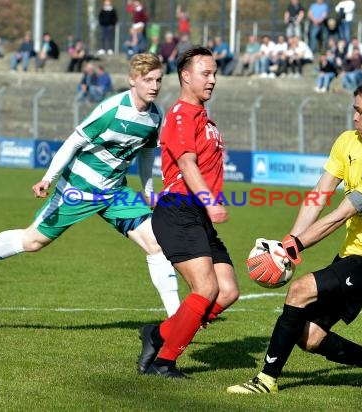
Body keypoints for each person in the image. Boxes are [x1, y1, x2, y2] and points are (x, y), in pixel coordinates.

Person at [0, 53, 180, 318]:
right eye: (147, 80)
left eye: (158, 80)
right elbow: (73, 142)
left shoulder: (155, 117)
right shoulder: (112, 110)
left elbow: (147, 153)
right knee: (32, 241)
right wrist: (49, 178)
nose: (154, 86)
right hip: (79, 188)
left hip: (115, 192)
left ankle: (178, 318)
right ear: (132, 81)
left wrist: (148, 191)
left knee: (156, 244)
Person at [227, 74, 362, 394]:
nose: (354, 116)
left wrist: (293, 246)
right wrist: (289, 242)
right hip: (355, 253)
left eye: (360, 110)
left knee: (299, 291)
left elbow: (341, 214)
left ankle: (266, 380)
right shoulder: (348, 141)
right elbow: (319, 195)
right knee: (309, 336)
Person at [137, 46, 240, 378]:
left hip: (197, 216)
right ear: (186, 75)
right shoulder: (181, 113)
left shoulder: (202, 117)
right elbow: (185, 162)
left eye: (214, 74)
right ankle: (165, 362)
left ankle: (158, 333)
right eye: (205, 73)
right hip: (180, 210)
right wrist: (210, 200)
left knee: (227, 291)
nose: (213, 80)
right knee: (205, 288)